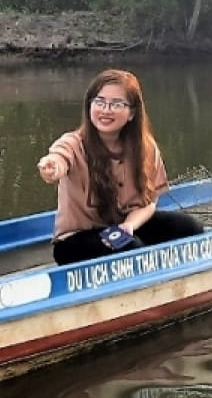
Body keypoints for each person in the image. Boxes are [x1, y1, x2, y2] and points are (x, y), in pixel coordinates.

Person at [36, 68, 203, 266]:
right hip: (76, 242)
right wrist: (52, 167)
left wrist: (129, 225)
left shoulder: (145, 148)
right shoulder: (74, 143)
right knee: (131, 248)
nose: (106, 110)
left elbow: (148, 201)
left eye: (116, 104)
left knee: (189, 228)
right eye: (99, 101)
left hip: (122, 229)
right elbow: (59, 157)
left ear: (132, 112)